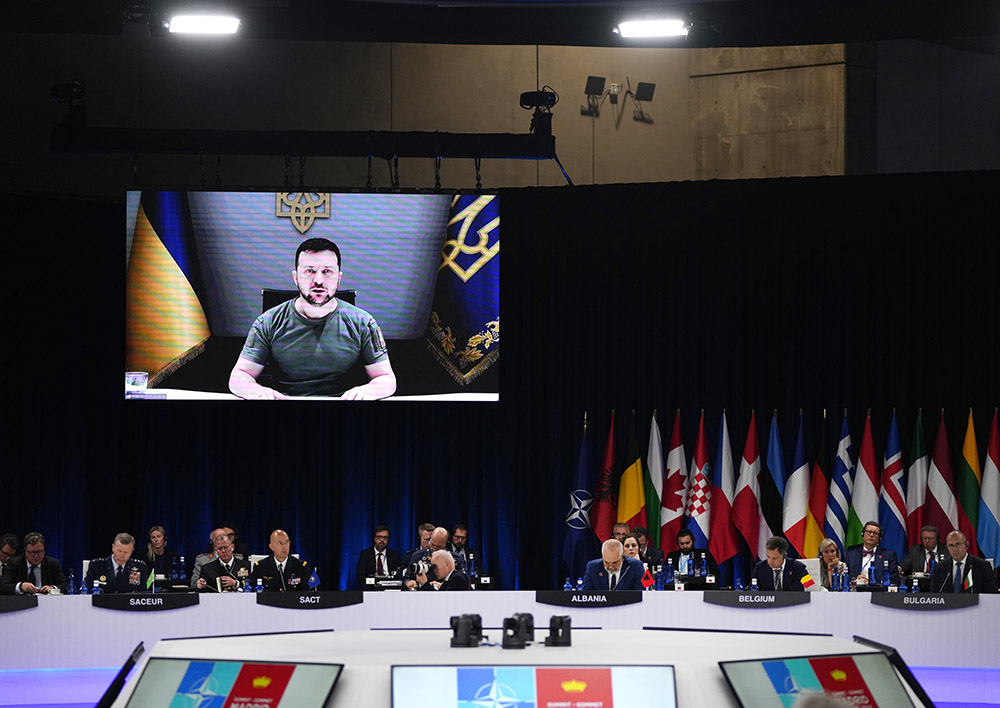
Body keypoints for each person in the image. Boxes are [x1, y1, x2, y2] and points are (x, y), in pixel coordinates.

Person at [229, 237, 396, 400]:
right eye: (309, 271)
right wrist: (255, 391)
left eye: (327, 272)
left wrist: (370, 391)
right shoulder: (267, 322)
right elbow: (239, 376)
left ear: (339, 277)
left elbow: (386, 378)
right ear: (295, 277)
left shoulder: (363, 323)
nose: (318, 280)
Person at [930, 530, 998, 593]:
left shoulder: (982, 566)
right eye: (951, 545)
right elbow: (934, 596)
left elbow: (991, 594)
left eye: (958, 544)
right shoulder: (939, 568)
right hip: (948, 606)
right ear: (947, 547)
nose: (955, 549)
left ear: (966, 544)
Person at [0, 532, 68, 595]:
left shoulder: (52, 564)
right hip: (21, 604)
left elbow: (64, 586)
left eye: (39, 552)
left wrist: (52, 589)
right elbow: (3, 587)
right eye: (32, 552)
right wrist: (21, 586)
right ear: (26, 552)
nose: (36, 556)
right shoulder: (14, 563)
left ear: (44, 551)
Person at [84, 533, 149, 593]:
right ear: (113, 548)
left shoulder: (140, 567)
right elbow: (87, 591)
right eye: (119, 551)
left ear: (132, 551)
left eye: (126, 552)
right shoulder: (97, 566)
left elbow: (142, 594)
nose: (122, 555)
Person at [845, 520, 900, 586]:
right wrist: (855, 580)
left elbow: (894, 580)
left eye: (875, 533)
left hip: (878, 593)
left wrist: (871, 582)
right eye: (869, 532)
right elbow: (845, 576)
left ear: (880, 538)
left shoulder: (889, 555)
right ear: (863, 533)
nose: (871, 535)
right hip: (855, 591)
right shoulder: (851, 552)